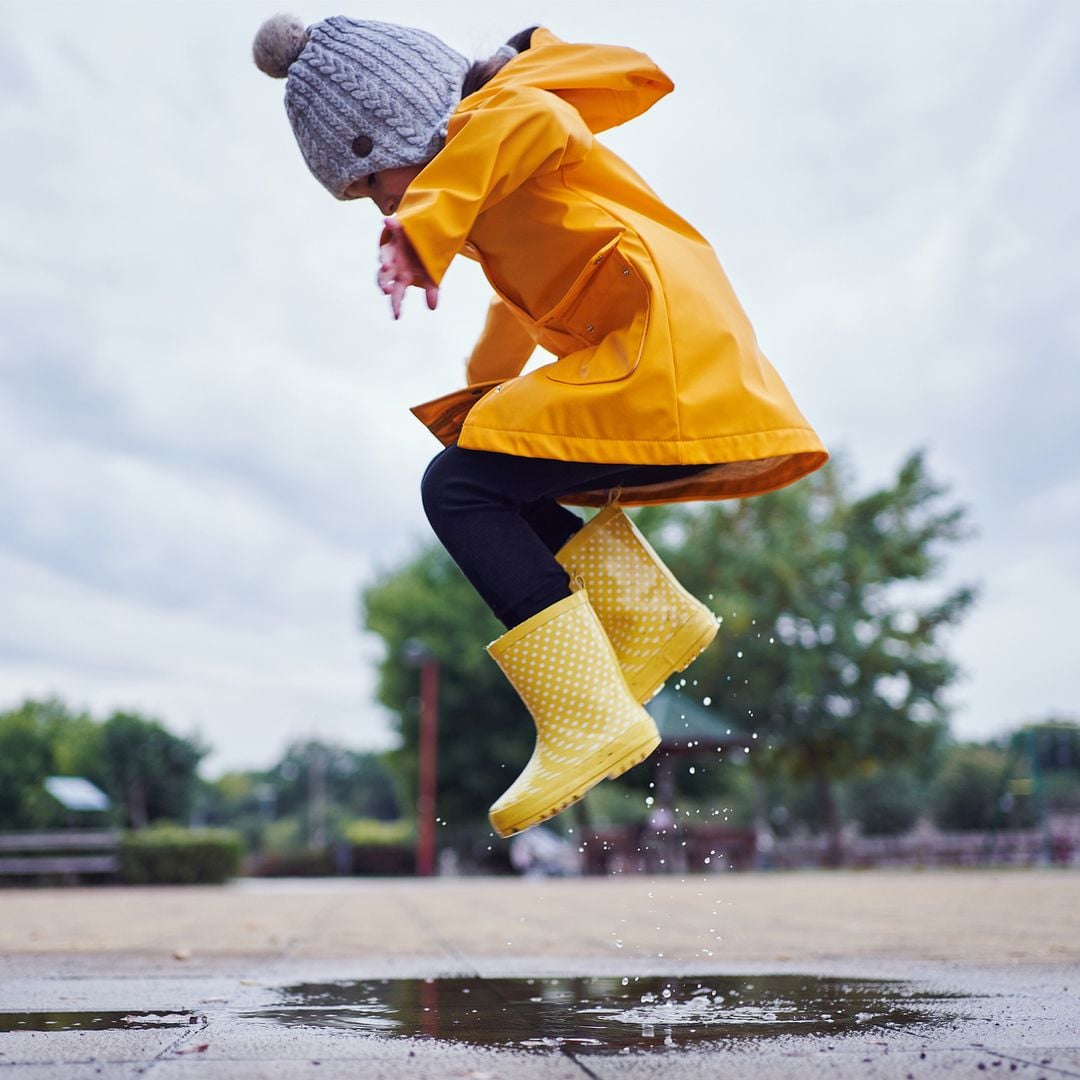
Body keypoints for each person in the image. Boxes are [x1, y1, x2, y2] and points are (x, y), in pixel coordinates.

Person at [253, 15, 828, 840]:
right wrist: (483, 400)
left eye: (373, 182)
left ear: (402, 128)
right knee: (482, 470)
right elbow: (517, 308)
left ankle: (589, 716)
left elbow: (537, 124)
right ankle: (641, 616)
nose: (379, 203)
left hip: (661, 358)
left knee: (456, 490)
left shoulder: (513, 111)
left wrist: (423, 227)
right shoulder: (495, 185)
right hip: (665, 360)